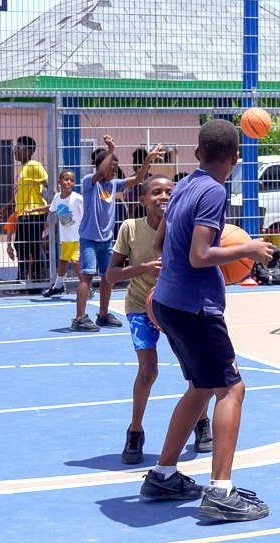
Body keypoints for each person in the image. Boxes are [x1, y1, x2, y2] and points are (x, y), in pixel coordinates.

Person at [140, 119, 276, 522]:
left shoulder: (183, 184)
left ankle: (163, 474)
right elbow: (200, 254)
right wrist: (246, 248)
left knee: (200, 386)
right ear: (236, 158)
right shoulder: (215, 192)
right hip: (195, 307)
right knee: (232, 389)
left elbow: (162, 243)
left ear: (198, 154)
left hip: (167, 301)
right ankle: (220, 490)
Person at [105, 174, 212, 465]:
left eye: (169, 191)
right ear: (142, 200)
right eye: (155, 192)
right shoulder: (130, 228)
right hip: (141, 306)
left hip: (178, 306)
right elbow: (111, 274)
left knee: (195, 370)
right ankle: (135, 430)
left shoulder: (186, 227)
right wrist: (141, 268)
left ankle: (202, 424)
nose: (163, 196)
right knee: (148, 371)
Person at [71, 135, 162, 332]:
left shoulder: (113, 185)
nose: (114, 170)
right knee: (86, 277)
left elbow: (138, 179)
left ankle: (102, 315)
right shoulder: (90, 183)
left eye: (115, 167)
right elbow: (102, 170)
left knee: (107, 277)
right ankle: (79, 318)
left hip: (106, 240)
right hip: (89, 239)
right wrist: (110, 150)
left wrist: (148, 159)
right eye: (112, 167)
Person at [0, 136, 49, 289]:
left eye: (19, 148)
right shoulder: (22, 169)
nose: (16, 152)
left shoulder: (34, 166)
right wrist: (6, 208)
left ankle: (30, 280)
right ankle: (33, 280)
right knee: (27, 245)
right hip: (23, 213)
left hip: (34, 213)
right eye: (15, 149)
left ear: (30, 151)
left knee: (28, 245)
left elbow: (47, 184)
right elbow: (19, 194)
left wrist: (52, 204)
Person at [38, 170, 84, 298]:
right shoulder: (57, 198)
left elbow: (86, 215)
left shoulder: (77, 198)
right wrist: (32, 209)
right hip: (66, 238)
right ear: (59, 181)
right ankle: (58, 286)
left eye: (71, 180)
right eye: (66, 179)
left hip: (77, 237)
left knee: (75, 262)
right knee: (63, 262)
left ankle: (86, 285)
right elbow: (51, 208)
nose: (68, 182)